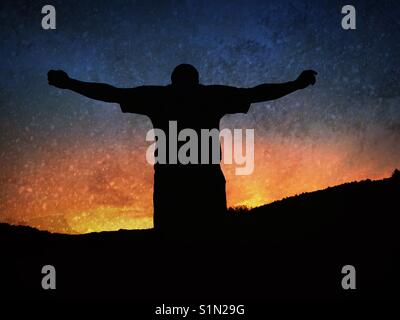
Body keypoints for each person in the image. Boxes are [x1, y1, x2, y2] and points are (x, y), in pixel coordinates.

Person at [48, 64, 317, 236]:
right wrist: (295, 84)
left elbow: (111, 93)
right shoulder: (207, 96)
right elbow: (257, 93)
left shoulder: (161, 97)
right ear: (194, 81)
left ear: (174, 81)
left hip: (178, 181)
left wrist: (70, 83)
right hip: (195, 180)